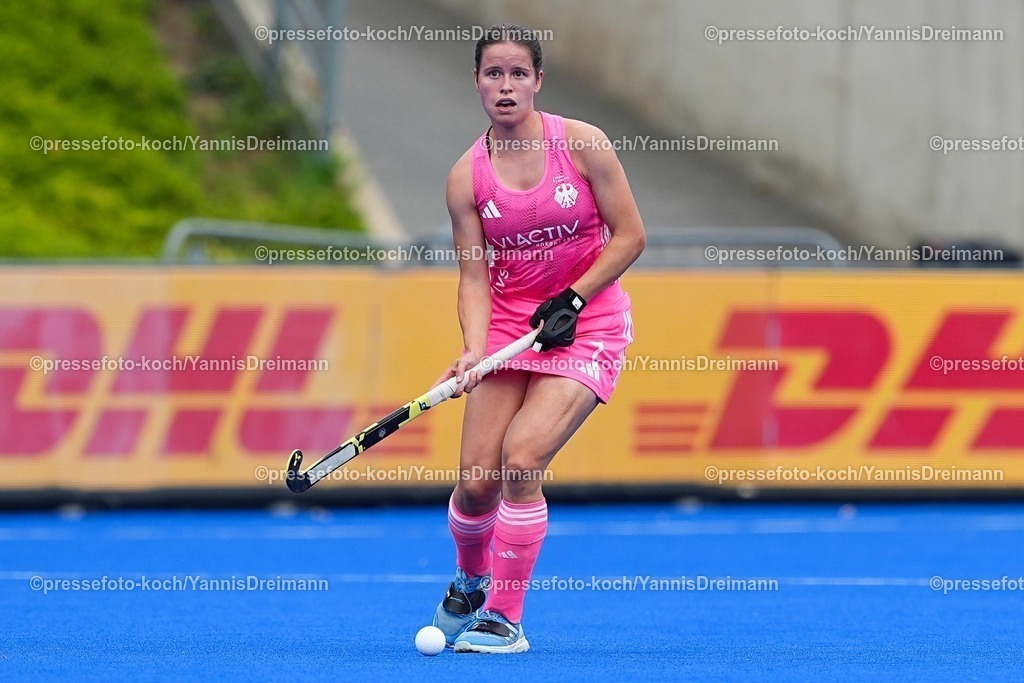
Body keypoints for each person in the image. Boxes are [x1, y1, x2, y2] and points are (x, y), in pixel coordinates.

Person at [430, 22, 646, 654]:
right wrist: (473, 348)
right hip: (508, 328)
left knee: (521, 459)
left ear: (537, 81)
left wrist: (573, 298)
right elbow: (474, 276)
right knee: (475, 479)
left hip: (588, 324)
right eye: (493, 74)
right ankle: (471, 581)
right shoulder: (465, 178)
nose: (505, 85)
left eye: (517, 73)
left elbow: (630, 235)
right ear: (476, 83)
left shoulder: (584, 145)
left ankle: (505, 618)